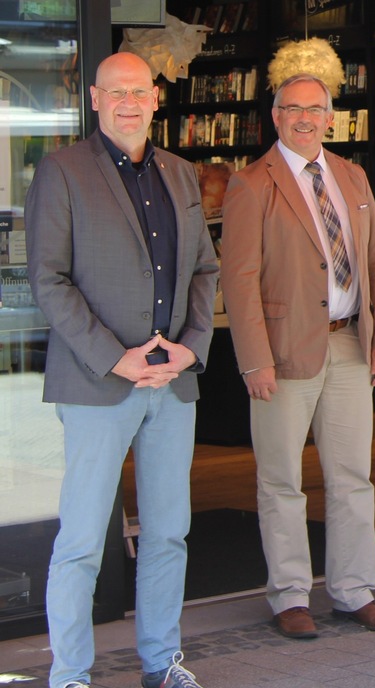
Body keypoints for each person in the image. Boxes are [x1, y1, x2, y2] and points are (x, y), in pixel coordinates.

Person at [26, 52, 218, 688]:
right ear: (94, 98)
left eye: (139, 91)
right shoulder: (62, 172)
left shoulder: (182, 175)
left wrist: (191, 346)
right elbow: (47, 281)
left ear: (156, 98)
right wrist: (116, 357)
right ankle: (71, 675)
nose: (129, 103)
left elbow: (205, 273)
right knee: (81, 540)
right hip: (96, 381)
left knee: (169, 534)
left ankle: (162, 664)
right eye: (116, 92)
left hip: (172, 382)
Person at [220, 73, 375, 638]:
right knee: (281, 480)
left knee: (352, 475)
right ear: (274, 117)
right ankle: (290, 597)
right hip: (281, 351)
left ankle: (353, 591)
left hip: (350, 341)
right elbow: (239, 280)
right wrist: (254, 360)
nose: (304, 118)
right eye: (291, 109)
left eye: (315, 109)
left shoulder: (351, 176)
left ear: (331, 117)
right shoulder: (251, 185)